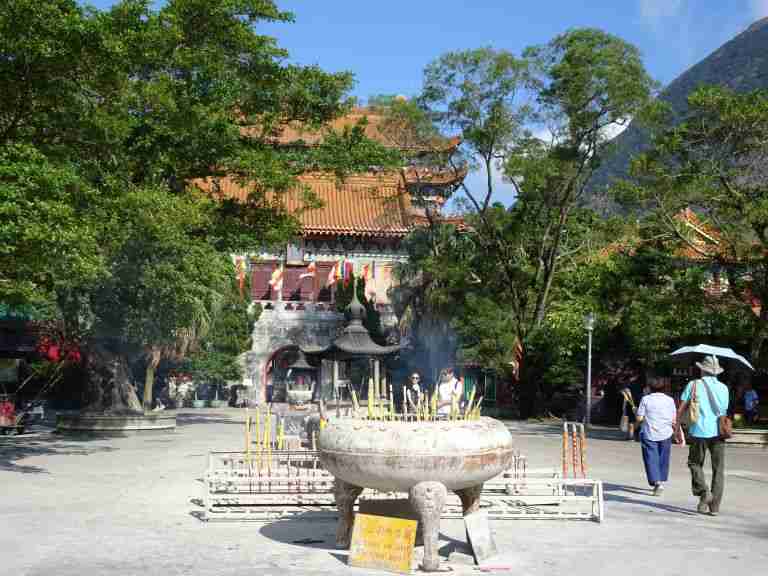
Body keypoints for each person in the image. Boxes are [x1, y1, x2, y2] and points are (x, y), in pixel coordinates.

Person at [676, 355, 729, 516]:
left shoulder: (693, 385)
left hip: (699, 430)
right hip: (719, 432)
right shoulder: (724, 388)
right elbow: (724, 411)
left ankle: (704, 492)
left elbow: (682, 407)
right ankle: (715, 507)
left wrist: (677, 427)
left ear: (702, 370)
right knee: (718, 469)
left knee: (694, 463)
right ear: (716, 372)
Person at [636, 378, 676, 496]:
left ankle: (657, 482)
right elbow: (673, 418)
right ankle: (661, 480)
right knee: (663, 458)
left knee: (651, 457)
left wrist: (636, 412)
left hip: (649, 433)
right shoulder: (670, 400)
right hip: (666, 432)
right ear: (664, 388)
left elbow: (639, 418)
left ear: (650, 388)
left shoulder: (646, 399)